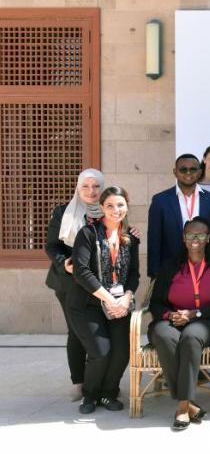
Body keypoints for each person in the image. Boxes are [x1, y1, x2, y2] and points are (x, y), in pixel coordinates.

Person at [147, 217, 210, 430]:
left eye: (200, 235)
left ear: (208, 238)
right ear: (183, 238)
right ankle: (190, 405)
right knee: (163, 335)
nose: (194, 239)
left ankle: (182, 406)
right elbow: (155, 302)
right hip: (171, 318)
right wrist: (170, 316)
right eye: (190, 234)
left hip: (205, 321)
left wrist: (195, 314)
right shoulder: (171, 265)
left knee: (190, 338)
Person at [66, 186, 140, 414]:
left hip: (119, 304)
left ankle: (109, 393)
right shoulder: (87, 234)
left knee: (121, 352)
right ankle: (90, 394)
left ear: (127, 207)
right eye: (109, 205)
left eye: (120, 205)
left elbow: (134, 274)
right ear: (101, 208)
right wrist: (109, 299)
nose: (115, 210)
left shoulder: (131, 238)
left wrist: (126, 298)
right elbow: (81, 271)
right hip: (87, 305)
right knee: (101, 351)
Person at [45, 169, 105, 401]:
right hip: (69, 282)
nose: (91, 191)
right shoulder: (63, 213)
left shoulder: (108, 210)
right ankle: (78, 383)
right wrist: (64, 263)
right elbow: (52, 246)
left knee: (99, 332)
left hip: (100, 283)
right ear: (78, 188)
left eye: (96, 186)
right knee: (77, 332)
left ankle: (99, 382)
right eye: (86, 187)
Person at [148, 153, 210, 278]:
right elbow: (154, 238)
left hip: (205, 267)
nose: (188, 173)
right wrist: (154, 272)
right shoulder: (160, 200)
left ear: (200, 172)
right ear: (175, 172)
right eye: (183, 169)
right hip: (171, 268)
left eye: (193, 169)